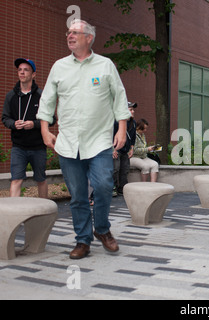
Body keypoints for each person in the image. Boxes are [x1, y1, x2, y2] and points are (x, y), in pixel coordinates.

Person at [37, 19, 131, 260]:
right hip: (68, 143)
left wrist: (121, 129)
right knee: (78, 195)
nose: (70, 35)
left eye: (75, 32)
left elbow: (119, 97)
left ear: (89, 37)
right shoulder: (59, 67)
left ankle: (102, 229)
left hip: (99, 141)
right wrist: (45, 129)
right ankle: (82, 240)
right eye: (68, 32)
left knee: (102, 186)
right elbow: (47, 99)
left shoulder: (105, 65)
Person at [2, 58, 56, 198]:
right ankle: (15, 214)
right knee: (16, 179)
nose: (22, 72)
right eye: (20, 70)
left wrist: (34, 124)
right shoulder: (11, 96)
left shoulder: (41, 95)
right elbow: (5, 118)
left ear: (33, 74)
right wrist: (14, 124)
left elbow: (52, 119)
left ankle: (44, 210)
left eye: (26, 70)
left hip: (38, 146)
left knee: (41, 179)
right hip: (18, 146)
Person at [112, 102, 137, 196]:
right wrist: (112, 149)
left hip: (126, 150)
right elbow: (110, 135)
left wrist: (131, 148)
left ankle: (122, 188)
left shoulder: (133, 123)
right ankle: (112, 188)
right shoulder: (116, 122)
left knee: (125, 170)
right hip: (116, 149)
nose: (133, 111)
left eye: (133, 110)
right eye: (130, 109)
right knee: (115, 169)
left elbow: (133, 137)